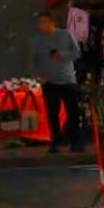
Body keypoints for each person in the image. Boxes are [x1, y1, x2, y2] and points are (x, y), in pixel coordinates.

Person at [32, 12, 82, 153]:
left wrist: (63, 55)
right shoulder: (38, 41)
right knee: (52, 113)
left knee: (73, 112)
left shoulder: (65, 35)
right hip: (49, 82)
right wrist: (39, 76)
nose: (42, 26)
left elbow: (77, 52)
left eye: (44, 22)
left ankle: (75, 141)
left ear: (51, 22)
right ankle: (55, 140)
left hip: (67, 80)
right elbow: (35, 60)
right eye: (40, 23)